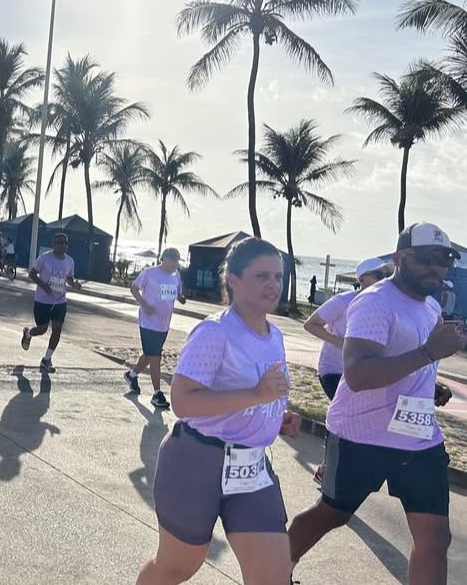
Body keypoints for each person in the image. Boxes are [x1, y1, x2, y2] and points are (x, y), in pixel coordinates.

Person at [288, 222, 462, 585]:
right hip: (361, 436)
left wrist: (429, 388)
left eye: (445, 259)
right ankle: (272, 570)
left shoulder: (430, 307)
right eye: (427, 258)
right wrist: (431, 351)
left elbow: (409, 360)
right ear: (399, 258)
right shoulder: (374, 302)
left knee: (435, 538)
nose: (436, 267)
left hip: (418, 440)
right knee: (330, 515)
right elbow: (359, 375)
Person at [135, 237, 301, 585]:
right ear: (234, 280)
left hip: (251, 467)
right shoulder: (215, 332)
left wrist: (275, 415)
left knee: (274, 577)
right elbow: (183, 401)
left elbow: (261, 394)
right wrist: (256, 395)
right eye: (261, 277)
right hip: (197, 461)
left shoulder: (275, 336)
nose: (273, 285)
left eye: (278, 277)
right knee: (176, 568)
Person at [303, 257, 394, 483]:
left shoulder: (384, 305)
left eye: (387, 275)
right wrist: (341, 342)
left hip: (361, 374)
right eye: (380, 275)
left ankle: (331, 468)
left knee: (355, 419)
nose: (386, 280)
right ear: (362, 279)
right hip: (333, 371)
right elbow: (310, 324)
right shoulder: (344, 301)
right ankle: (331, 470)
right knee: (346, 416)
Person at [125, 247, 187, 409]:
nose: (175, 264)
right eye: (173, 260)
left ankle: (131, 375)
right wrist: (144, 305)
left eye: (177, 261)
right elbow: (133, 288)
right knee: (155, 357)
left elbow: (178, 293)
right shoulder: (149, 273)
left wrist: (181, 298)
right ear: (164, 259)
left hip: (164, 324)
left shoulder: (176, 275)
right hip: (148, 322)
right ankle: (157, 393)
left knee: (150, 355)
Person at [20, 233, 82, 372]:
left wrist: (75, 285)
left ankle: (46, 359)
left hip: (60, 301)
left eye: (65, 243)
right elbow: (32, 274)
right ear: (54, 244)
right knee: (42, 329)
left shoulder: (70, 261)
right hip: (42, 300)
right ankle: (28, 334)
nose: (62, 245)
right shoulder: (45, 258)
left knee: (57, 329)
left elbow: (69, 279)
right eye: (59, 242)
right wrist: (44, 285)